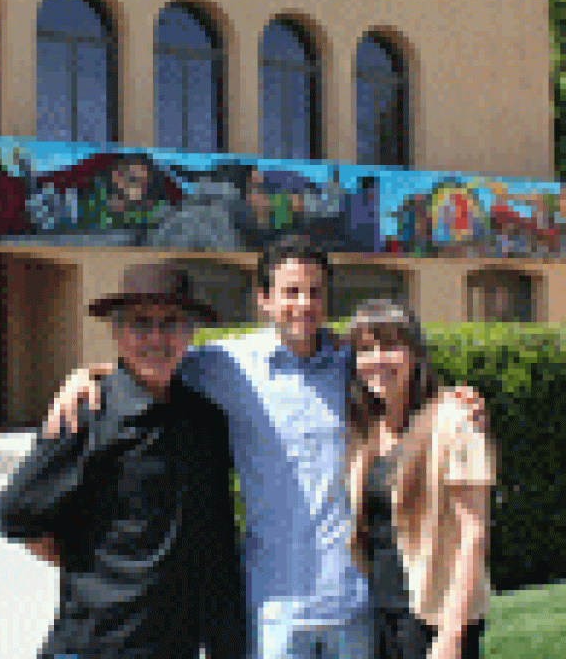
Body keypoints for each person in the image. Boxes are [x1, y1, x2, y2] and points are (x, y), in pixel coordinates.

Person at [43, 234, 486, 659]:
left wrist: (457, 399)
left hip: (352, 606)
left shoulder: (350, 362)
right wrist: (87, 376)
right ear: (264, 299)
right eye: (290, 292)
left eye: (314, 292)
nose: (303, 305)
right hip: (273, 610)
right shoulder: (225, 366)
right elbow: (152, 361)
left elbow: (403, 378)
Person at [0, 262, 247, 659]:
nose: (156, 337)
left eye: (171, 323)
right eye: (140, 324)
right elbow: (18, 514)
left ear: (190, 332)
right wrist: (94, 570)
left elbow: (215, 541)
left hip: (175, 644)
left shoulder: (206, 421)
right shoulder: (86, 413)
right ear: (116, 333)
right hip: (96, 642)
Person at [342, 298, 495, 659]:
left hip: (432, 619)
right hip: (380, 615)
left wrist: (451, 635)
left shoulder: (453, 420)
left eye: (391, 346)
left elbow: (473, 535)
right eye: (366, 349)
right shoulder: (366, 429)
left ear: (415, 355)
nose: (377, 359)